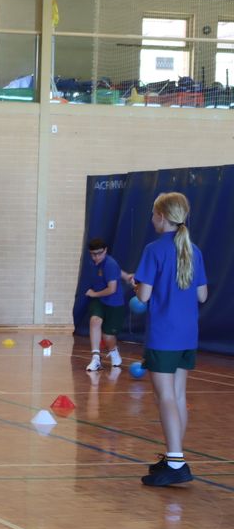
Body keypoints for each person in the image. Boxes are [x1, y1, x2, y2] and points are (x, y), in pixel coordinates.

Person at [129, 192, 208, 487]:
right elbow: (202, 295)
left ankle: (176, 462)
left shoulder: (154, 249)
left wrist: (136, 285)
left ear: (161, 216)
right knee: (178, 396)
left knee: (165, 397)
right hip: (188, 335)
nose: (152, 219)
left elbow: (144, 296)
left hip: (164, 335)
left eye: (153, 214)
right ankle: (174, 457)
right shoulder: (193, 250)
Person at [82, 237, 125, 371]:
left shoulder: (110, 264)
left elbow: (112, 289)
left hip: (113, 302)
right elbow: (118, 272)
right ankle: (96, 358)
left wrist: (94, 294)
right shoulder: (94, 262)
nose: (96, 257)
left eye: (99, 253)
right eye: (93, 254)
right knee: (94, 321)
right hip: (100, 300)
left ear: (105, 250)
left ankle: (113, 351)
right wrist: (126, 276)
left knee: (108, 336)